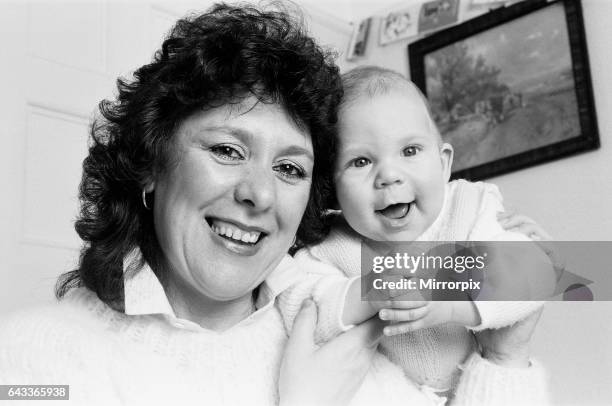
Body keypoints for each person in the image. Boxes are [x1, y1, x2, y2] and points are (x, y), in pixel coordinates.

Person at [0, 5, 548, 406]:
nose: (259, 194)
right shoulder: (34, 363)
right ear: (150, 162)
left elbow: (569, 268)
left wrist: (503, 358)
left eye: (289, 168)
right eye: (227, 150)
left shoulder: (352, 337)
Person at [294, 66, 555, 399]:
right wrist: (368, 292)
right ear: (332, 189)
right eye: (360, 161)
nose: (389, 175)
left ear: (443, 163)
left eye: (409, 151)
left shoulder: (470, 206)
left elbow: (532, 274)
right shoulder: (333, 244)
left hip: (477, 384)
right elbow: (300, 304)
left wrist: (452, 307)